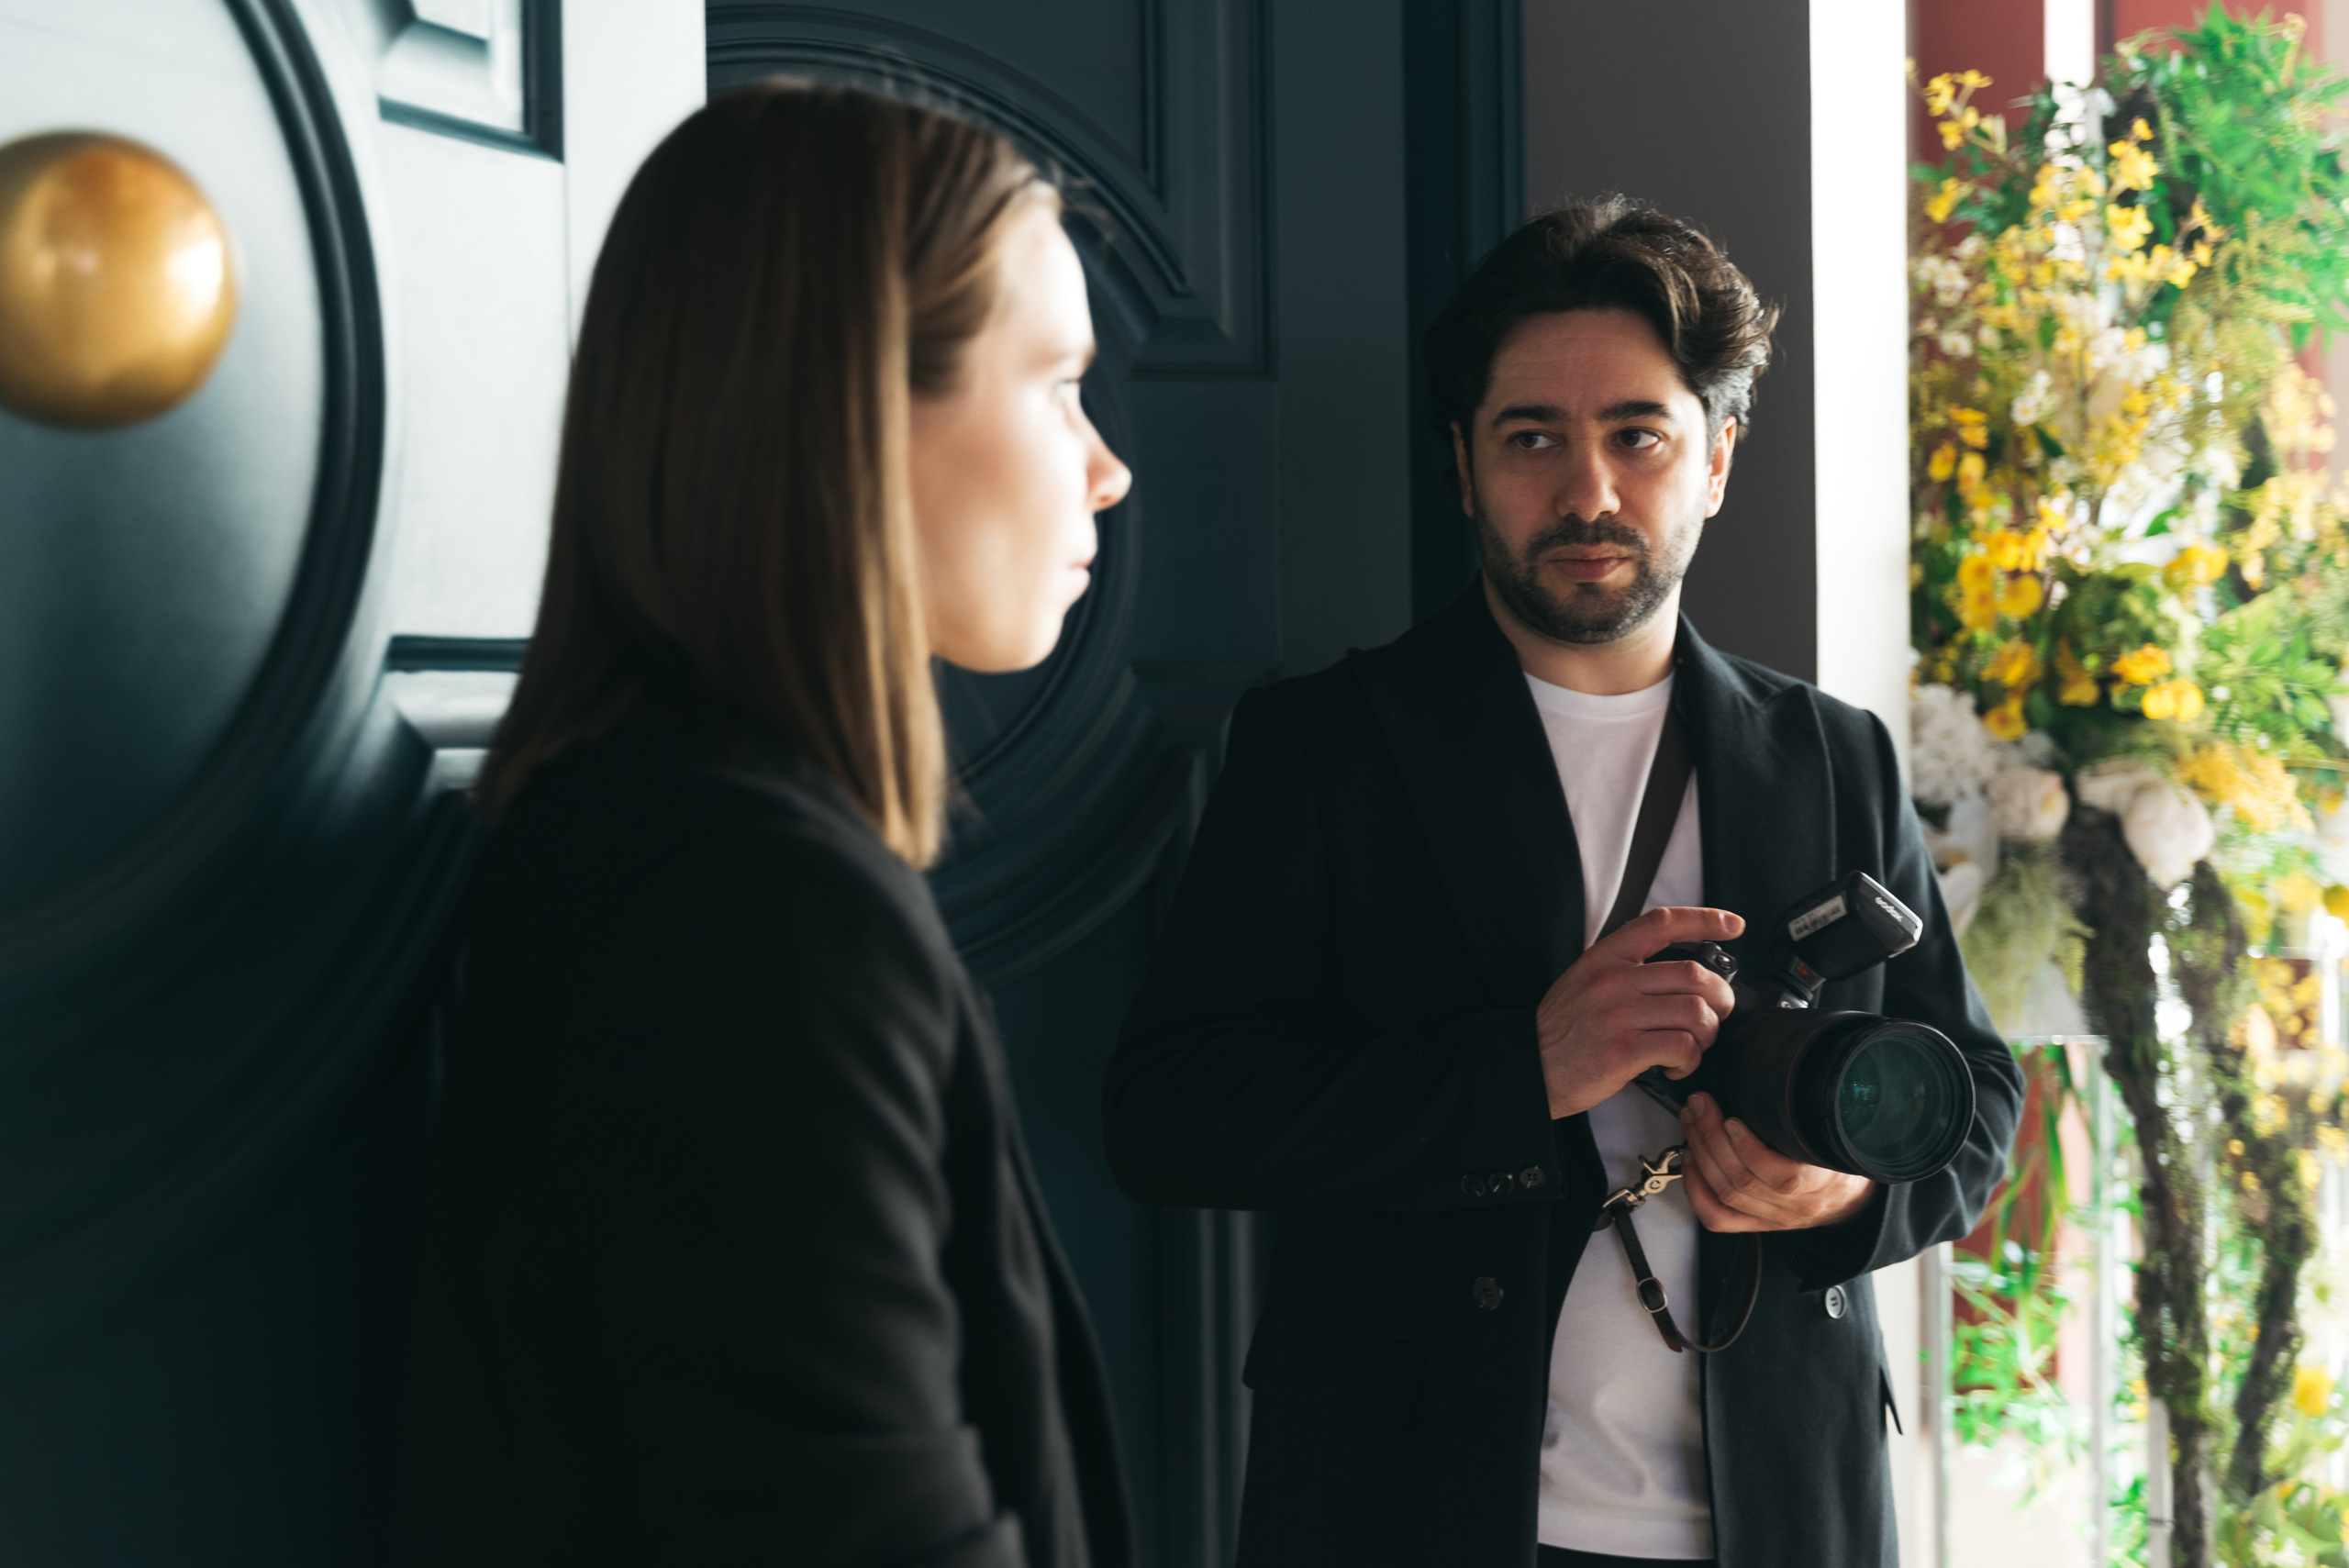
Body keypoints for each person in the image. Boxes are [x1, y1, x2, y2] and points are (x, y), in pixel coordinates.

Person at [1105, 195, 2023, 1568]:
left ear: (1717, 458)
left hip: (1789, 1512)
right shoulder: (1325, 747)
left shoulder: (1835, 754)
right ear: (1463, 463)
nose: (1588, 493)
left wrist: (1841, 1197)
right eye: (1532, 437)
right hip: (1410, 1511)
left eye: (1638, 436)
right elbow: (1169, 1116)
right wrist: (1519, 1071)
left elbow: (1978, 1097)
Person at [400, 82, 1135, 1568]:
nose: (1107, 466)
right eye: (1057, 383)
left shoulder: (663, 835)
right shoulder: (750, 912)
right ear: (855, 409)